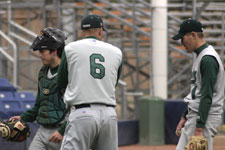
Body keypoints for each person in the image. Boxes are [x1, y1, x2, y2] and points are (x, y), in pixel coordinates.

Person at [57, 14, 123, 150]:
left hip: (82, 112)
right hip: (109, 114)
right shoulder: (116, 52)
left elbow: (61, 81)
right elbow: (113, 83)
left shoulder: (70, 48)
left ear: (81, 31)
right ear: (100, 30)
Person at [10, 27, 68, 150]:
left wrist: (63, 131)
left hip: (63, 131)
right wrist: (24, 117)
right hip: (42, 131)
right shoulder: (43, 71)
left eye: (43, 51)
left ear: (54, 51)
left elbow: (75, 108)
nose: (40, 55)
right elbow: (39, 104)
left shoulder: (68, 71)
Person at [172, 18, 225, 150]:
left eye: (183, 38)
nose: (182, 42)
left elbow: (207, 95)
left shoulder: (207, 59)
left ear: (193, 35)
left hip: (204, 119)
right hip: (195, 116)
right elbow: (198, 92)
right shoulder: (201, 56)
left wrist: (199, 128)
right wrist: (185, 115)